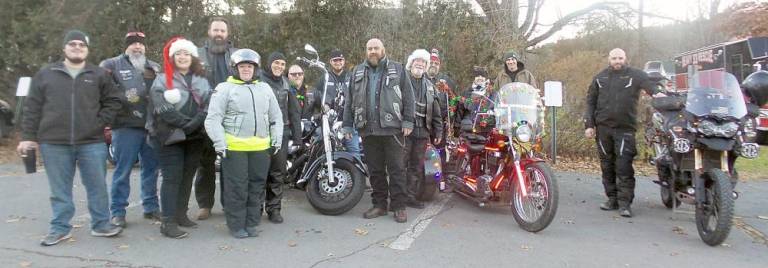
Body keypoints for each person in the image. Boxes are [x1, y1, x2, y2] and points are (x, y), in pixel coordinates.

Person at [19, 30, 123, 246]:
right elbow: (32, 108)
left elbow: (114, 100)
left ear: (87, 49)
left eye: (81, 45)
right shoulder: (46, 74)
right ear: (64, 47)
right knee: (60, 189)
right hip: (53, 142)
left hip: (92, 141)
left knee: (97, 185)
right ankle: (60, 228)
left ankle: (101, 224)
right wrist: (28, 137)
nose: (77, 47)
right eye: (72, 44)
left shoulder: (99, 74)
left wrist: (99, 122)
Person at [205, 49, 283, 238]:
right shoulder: (224, 88)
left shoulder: (264, 88)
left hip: (261, 148)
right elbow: (213, 119)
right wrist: (220, 144)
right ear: (235, 68)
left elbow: (276, 116)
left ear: (255, 69)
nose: (246, 69)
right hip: (235, 149)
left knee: (256, 187)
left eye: (249, 66)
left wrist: (276, 139)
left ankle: (251, 223)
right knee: (237, 188)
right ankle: (236, 224)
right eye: (242, 66)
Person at [342, 38, 415, 223]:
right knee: (375, 171)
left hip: (393, 130)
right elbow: (350, 100)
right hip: (368, 130)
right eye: (369, 49)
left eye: (376, 48)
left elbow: (408, 96)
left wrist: (408, 121)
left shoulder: (398, 69)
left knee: (397, 169)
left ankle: (399, 207)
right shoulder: (357, 71)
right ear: (366, 51)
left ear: (383, 50)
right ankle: (380, 205)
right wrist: (347, 124)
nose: (372, 51)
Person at [584, 48, 660, 218]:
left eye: (620, 58)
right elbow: (590, 102)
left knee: (624, 166)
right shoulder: (600, 78)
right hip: (603, 129)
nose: (617, 61)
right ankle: (612, 199)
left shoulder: (636, 75)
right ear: (609, 59)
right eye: (614, 58)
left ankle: (625, 203)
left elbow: (651, 86)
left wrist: (659, 92)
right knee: (607, 165)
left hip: (625, 129)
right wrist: (589, 125)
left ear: (626, 58)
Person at [149, 37, 211, 238]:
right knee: (172, 178)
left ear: (192, 57)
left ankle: (180, 214)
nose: (182, 57)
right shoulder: (162, 79)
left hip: (195, 136)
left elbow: (209, 103)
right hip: (170, 135)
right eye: (178, 54)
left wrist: (196, 122)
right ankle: (167, 222)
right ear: (172, 57)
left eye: (186, 53)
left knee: (187, 177)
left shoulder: (202, 79)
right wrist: (185, 123)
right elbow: (160, 106)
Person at [100, 31, 162, 227]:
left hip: (152, 126)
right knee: (123, 170)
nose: (137, 47)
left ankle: (151, 207)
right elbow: (103, 92)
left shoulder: (154, 66)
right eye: (133, 44)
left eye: (140, 44)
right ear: (126, 46)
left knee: (151, 169)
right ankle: (118, 211)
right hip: (126, 126)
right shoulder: (111, 65)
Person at [195, 17, 239, 221]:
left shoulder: (236, 55)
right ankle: (205, 204)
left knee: (231, 163)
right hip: (205, 114)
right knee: (206, 163)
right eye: (216, 30)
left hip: (231, 116)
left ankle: (229, 204)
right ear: (209, 32)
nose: (219, 33)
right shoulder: (197, 54)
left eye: (222, 30)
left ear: (227, 34)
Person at [259, 52, 301, 223]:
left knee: (278, 173)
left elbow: (294, 110)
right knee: (259, 172)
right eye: (276, 63)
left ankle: (274, 209)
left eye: (283, 64)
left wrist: (297, 137)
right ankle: (255, 208)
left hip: (281, 133)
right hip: (260, 133)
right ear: (269, 63)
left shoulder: (286, 83)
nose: (279, 67)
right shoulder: (258, 79)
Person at [403, 49, 443, 209]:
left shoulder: (431, 87)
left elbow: (436, 112)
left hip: (422, 132)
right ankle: (397, 198)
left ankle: (410, 197)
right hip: (404, 131)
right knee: (399, 165)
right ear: (411, 63)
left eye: (423, 62)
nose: (419, 64)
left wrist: (438, 131)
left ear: (426, 66)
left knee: (415, 165)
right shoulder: (402, 81)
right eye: (417, 61)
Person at [314, 49, 361, 157]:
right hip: (329, 123)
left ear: (344, 61)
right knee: (326, 151)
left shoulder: (351, 76)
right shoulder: (325, 78)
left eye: (340, 60)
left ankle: (357, 173)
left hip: (348, 122)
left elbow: (358, 97)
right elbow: (316, 96)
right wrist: (323, 105)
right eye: (335, 60)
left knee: (354, 151)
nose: (338, 62)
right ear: (331, 62)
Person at [455, 66, 496, 136]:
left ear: (486, 78)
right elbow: (460, 111)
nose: (480, 78)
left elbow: (496, 110)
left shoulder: (492, 94)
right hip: (469, 129)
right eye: (477, 76)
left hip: (487, 129)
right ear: (474, 78)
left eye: (482, 76)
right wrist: (457, 127)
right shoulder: (467, 92)